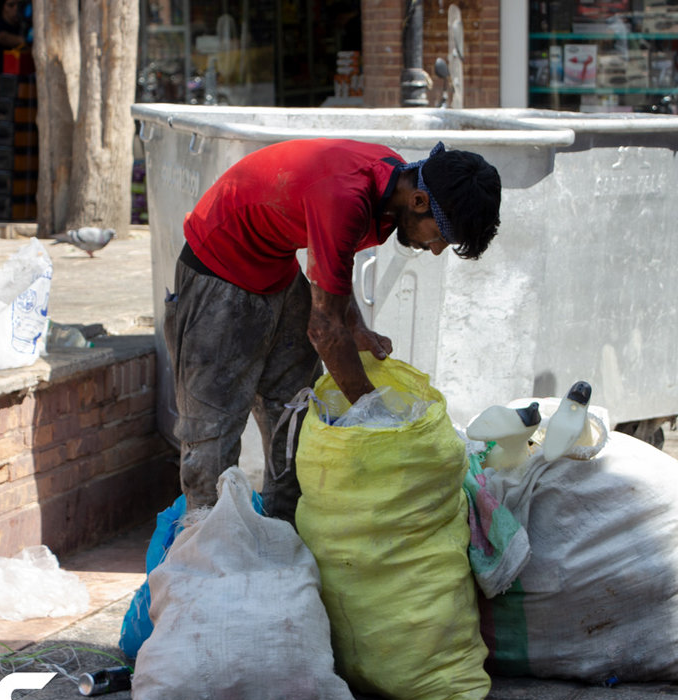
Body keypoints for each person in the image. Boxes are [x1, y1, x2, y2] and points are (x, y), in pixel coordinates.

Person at [165, 138, 501, 521]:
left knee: (297, 415)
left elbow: (333, 258)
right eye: (440, 235)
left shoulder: (394, 181)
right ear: (420, 202)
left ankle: (287, 535)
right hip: (219, 269)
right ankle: (208, 554)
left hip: (277, 265)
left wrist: (354, 325)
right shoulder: (347, 195)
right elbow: (324, 329)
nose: (437, 249)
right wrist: (375, 416)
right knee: (213, 432)